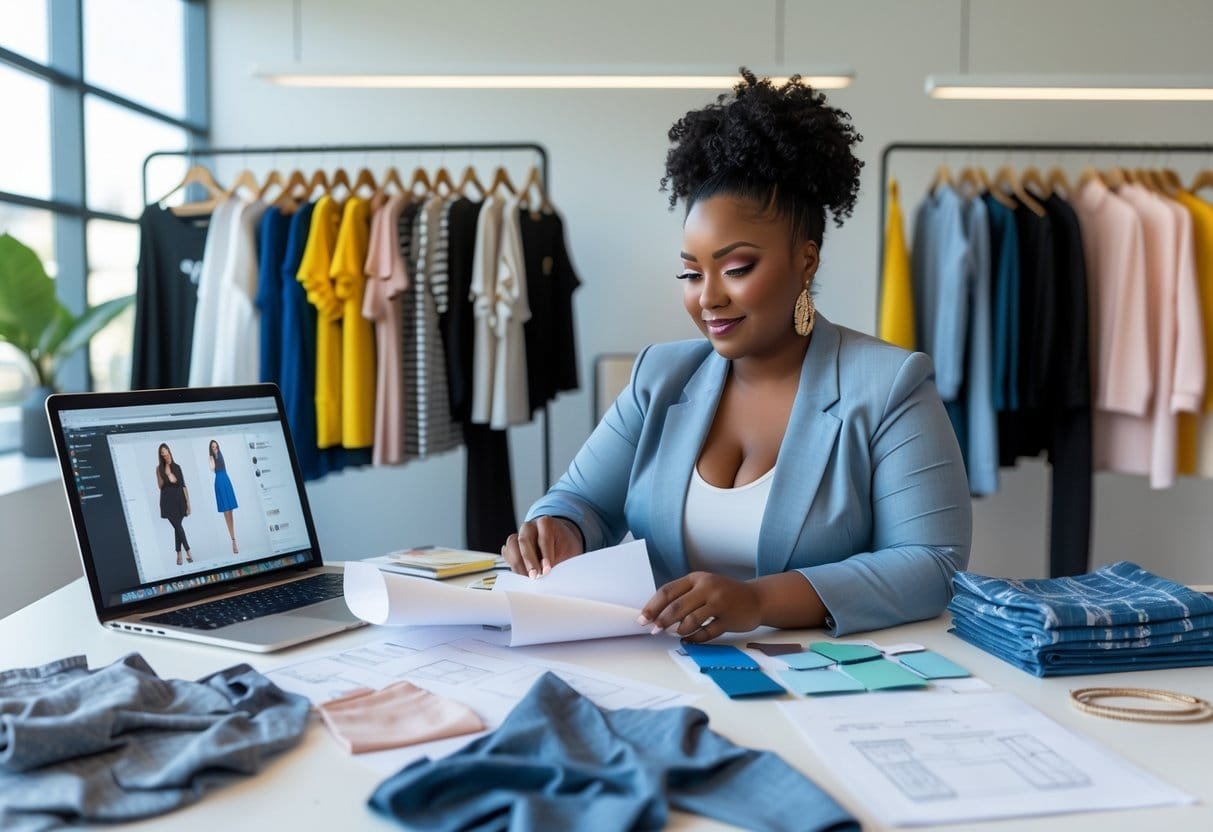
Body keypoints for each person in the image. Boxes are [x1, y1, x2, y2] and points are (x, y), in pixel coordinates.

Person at [504, 70, 972, 641]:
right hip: (667, 670)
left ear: (806, 262)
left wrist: (758, 601)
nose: (709, 297)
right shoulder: (661, 376)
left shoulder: (889, 385)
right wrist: (556, 528)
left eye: (737, 268)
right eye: (690, 272)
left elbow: (931, 562)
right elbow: (582, 500)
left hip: (819, 682)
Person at [155, 443, 192, 566]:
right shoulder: (158, 468)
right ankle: (188, 551)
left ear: (169, 451)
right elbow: (160, 486)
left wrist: (188, 503)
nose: (164, 453)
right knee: (177, 526)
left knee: (177, 527)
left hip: (179, 500)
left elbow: (183, 485)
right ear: (160, 455)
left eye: (165, 450)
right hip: (166, 500)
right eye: (162, 452)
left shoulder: (177, 467)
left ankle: (179, 554)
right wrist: (164, 474)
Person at [208, 439, 240, 553]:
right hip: (219, 481)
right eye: (213, 447)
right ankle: (233, 540)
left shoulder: (221, 454)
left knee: (231, 510)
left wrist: (217, 454)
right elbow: (212, 469)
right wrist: (213, 457)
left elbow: (225, 467)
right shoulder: (211, 458)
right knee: (226, 512)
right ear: (211, 448)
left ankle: (234, 538)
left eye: (216, 447)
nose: (215, 449)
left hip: (226, 480)